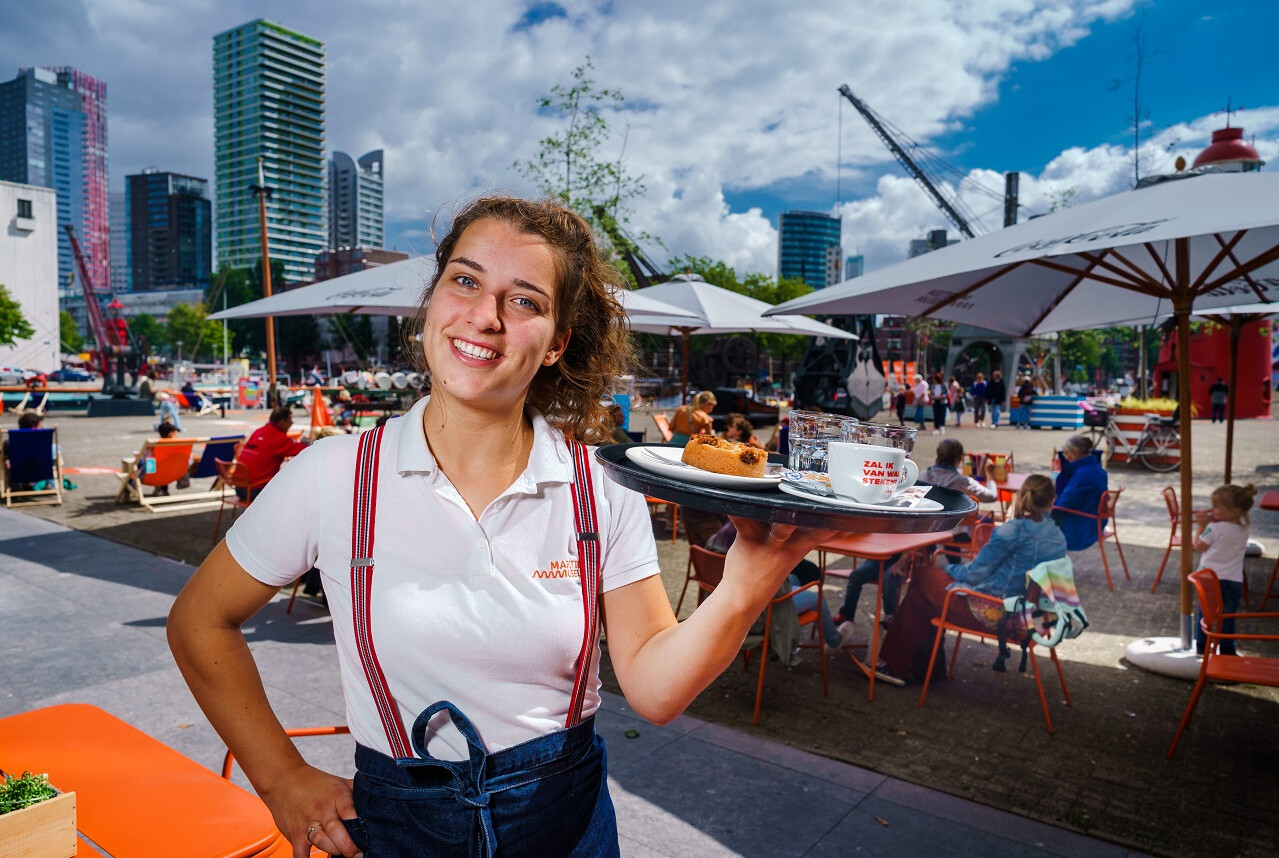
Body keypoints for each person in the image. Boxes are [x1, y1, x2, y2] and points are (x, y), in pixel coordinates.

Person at [166, 195, 835, 858]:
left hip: (565, 824)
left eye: (523, 301)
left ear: (556, 344)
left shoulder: (599, 483)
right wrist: (281, 778)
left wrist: (748, 582)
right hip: (398, 826)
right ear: (432, 302)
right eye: (464, 281)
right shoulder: (335, 474)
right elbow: (199, 620)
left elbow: (655, 691)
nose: (484, 317)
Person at [875, 475, 1066, 685]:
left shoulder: (1013, 531)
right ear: (1052, 501)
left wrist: (947, 567)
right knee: (923, 595)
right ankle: (919, 669)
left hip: (993, 610)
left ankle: (900, 666)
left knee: (922, 578)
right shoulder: (1058, 538)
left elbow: (974, 574)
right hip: (1022, 613)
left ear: (1022, 497)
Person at [833, 440, 998, 633]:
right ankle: (883, 618)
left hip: (913, 542)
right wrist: (990, 477)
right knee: (867, 574)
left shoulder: (922, 477)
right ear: (958, 458)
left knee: (886, 575)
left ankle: (886, 618)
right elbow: (991, 496)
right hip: (944, 537)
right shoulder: (962, 482)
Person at [1192, 483, 1257, 655]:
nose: (1212, 510)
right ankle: (1227, 649)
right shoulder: (1244, 528)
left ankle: (1202, 647)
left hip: (1210, 579)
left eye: (1216, 507)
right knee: (1228, 616)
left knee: (1205, 615)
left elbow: (1198, 546)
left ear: (1233, 511)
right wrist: (1214, 518)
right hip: (1233, 579)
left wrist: (1201, 526)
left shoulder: (1214, 528)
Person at [232, 406, 309, 499]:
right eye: (290, 420)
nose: (292, 424)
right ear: (282, 422)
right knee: (298, 487)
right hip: (255, 490)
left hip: (239, 487)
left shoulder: (259, 431)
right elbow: (305, 450)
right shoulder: (277, 438)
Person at [1051, 434, 1108, 551]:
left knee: (1034, 521)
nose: (1065, 457)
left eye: (1066, 453)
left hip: (1081, 527)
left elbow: (1066, 502)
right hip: (1093, 521)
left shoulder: (1084, 475)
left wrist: (1048, 506)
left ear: (1075, 452)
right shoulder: (1097, 469)